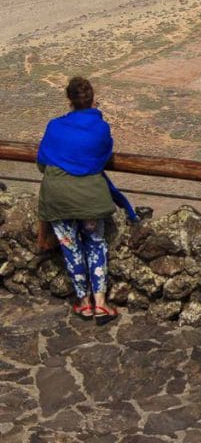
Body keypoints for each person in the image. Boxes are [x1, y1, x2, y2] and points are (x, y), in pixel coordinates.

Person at [36, 77, 135, 325]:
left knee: (70, 247)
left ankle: (83, 301)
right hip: (90, 197)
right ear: (92, 99)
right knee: (95, 243)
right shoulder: (100, 128)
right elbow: (102, 156)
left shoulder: (55, 126)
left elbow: (42, 161)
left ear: (68, 100)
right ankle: (100, 303)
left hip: (57, 197)